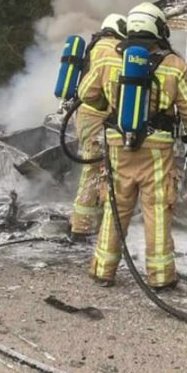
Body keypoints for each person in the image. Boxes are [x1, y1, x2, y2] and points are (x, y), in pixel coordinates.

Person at [78, 2, 187, 290]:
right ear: (158, 28)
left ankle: (103, 270)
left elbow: (87, 95)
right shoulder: (174, 65)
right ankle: (161, 278)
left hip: (117, 145)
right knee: (157, 209)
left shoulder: (109, 58)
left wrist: (107, 104)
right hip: (157, 151)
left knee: (115, 206)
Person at [69, 13, 127, 240]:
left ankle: (90, 222)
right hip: (95, 117)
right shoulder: (108, 48)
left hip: (89, 115)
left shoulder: (98, 46)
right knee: (94, 170)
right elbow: (102, 88)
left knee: (101, 169)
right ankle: (81, 228)